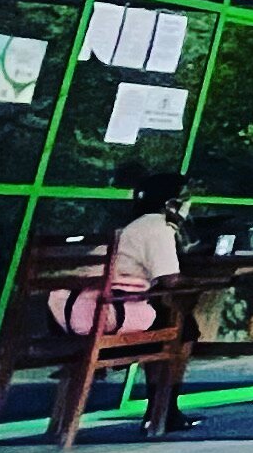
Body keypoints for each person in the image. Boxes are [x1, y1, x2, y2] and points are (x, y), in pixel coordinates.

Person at [52, 174, 197, 431]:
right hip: (104, 319)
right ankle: (163, 410)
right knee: (183, 327)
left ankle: (157, 410)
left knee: (168, 319)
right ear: (171, 203)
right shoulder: (157, 228)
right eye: (185, 200)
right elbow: (170, 280)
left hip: (67, 320)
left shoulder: (130, 227)